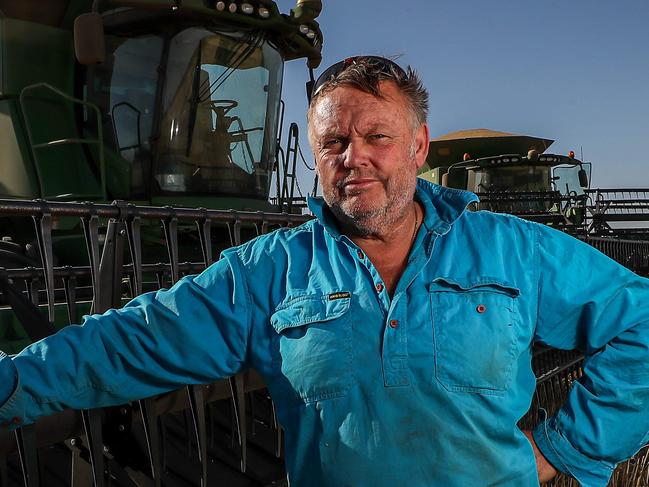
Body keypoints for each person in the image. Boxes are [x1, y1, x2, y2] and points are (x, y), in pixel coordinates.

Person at [1, 56, 649, 487]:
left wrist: (563, 450)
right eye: (332, 142)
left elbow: (641, 322)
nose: (353, 159)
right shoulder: (272, 269)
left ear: (419, 146)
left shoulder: (513, 250)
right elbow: (134, 339)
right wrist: (10, 384)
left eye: (377, 136)